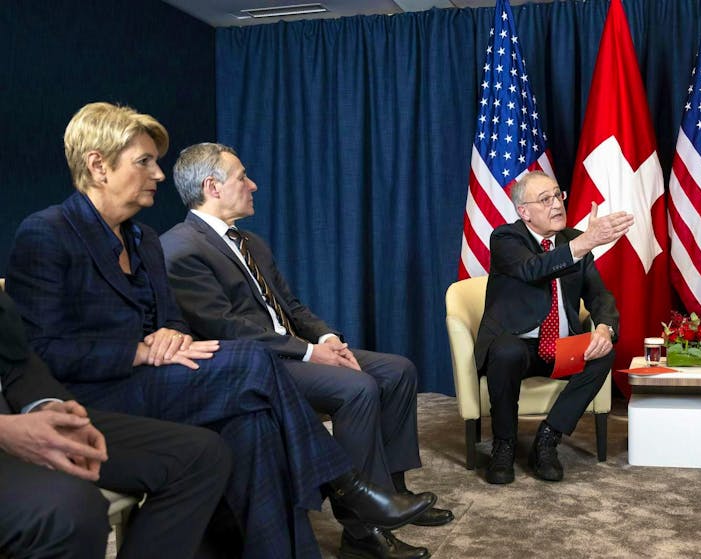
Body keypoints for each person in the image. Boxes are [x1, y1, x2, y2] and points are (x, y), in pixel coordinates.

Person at [6, 102, 435, 559]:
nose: (159, 175)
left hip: (152, 384)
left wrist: (169, 336)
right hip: (95, 395)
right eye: (145, 162)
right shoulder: (47, 233)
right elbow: (41, 353)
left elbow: (170, 318)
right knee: (251, 359)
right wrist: (138, 351)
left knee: (254, 426)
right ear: (98, 166)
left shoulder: (144, 239)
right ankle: (344, 483)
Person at [159, 143, 453, 535]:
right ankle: (363, 529)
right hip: (258, 364)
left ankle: (392, 491)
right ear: (212, 187)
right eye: (242, 177)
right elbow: (228, 328)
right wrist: (312, 353)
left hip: (295, 349)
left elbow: (292, 308)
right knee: (357, 388)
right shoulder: (181, 248)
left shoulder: (251, 243)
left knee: (398, 371)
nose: (254, 185)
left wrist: (327, 338)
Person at [0, 289, 232, 559]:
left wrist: (46, 405)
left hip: (22, 409)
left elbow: (16, 358)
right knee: (71, 511)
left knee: (202, 455)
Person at [474, 171, 631, 484]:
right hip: (517, 345)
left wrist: (603, 329)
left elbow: (599, 296)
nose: (556, 204)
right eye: (545, 200)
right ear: (524, 212)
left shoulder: (573, 241)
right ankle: (503, 445)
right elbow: (534, 270)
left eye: (558, 195)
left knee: (603, 354)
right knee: (505, 351)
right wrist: (586, 242)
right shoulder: (506, 238)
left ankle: (548, 438)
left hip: (559, 347)